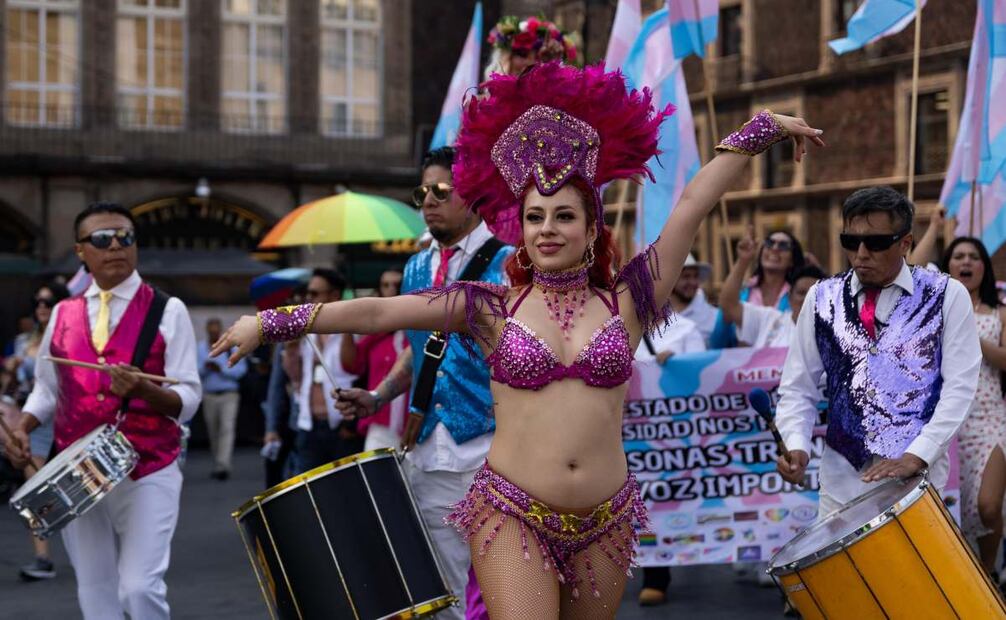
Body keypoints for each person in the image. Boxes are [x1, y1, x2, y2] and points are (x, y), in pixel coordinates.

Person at [213, 63, 822, 619]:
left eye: (563, 215)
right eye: (535, 217)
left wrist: (758, 129)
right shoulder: (485, 308)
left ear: (591, 229)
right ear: (520, 229)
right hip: (511, 512)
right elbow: (378, 311)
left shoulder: (629, 301)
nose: (548, 229)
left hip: (607, 519)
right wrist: (270, 323)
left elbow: (692, 204)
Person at [2, 201, 201, 619]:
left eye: (125, 237)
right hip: (78, 471)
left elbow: (188, 400)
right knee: (96, 593)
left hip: (149, 466)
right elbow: (47, 389)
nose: (116, 246)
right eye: (101, 239)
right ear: (80, 251)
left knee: (139, 589)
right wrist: (25, 424)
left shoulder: (169, 310)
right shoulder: (63, 313)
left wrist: (145, 389)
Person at [338, 146, 511, 620]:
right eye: (422, 192)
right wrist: (378, 396)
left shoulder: (512, 264)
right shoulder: (415, 267)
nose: (428, 202)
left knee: (506, 586)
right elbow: (421, 349)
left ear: (473, 195)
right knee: (444, 591)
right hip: (430, 449)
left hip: (497, 447)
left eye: (441, 191)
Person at [774, 187, 980, 523]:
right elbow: (798, 386)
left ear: (905, 243)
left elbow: (960, 387)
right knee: (841, 577)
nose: (861, 253)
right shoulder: (820, 297)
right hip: (841, 483)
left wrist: (919, 453)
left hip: (917, 483)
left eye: (876, 243)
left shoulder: (947, 295)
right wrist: (795, 442)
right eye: (850, 241)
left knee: (914, 576)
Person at [942, 237, 1006, 577]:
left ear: (984, 266)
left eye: (973, 257)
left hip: (990, 421)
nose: (965, 262)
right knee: (959, 512)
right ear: (948, 266)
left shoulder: (1000, 314)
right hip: (950, 426)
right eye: (958, 256)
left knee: (988, 505)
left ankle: (988, 570)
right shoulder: (935, 314)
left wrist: (971, 332)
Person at [9, 281, 69, 581]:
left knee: (80, 485)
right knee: (35, 488)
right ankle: (42, 557)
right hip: (36, 419)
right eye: (38, 302)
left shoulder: (70, 336)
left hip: (70, 416)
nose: (42, 307)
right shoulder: (24, 341)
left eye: (48, 301)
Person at [295, 268, 359, 471]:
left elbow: (352, 368)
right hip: (309, 423)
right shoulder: (307, 333)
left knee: (344, 491)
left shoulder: (352, 330)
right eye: (307, 293)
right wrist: (289, 350)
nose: (308, 298)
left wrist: (347, 324)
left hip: (341, 424)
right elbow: (295, 376)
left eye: (315, 294)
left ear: (334, 295)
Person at [720, 226, 827, 349]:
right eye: (769, 243)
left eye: (783, 246)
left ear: (793, 259)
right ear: (791, 296)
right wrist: (743, 260)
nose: (775, 249)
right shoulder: (769, 318)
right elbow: (728, 307)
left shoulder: (802, 286)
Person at [340, 267, 411, 451]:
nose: (392, 290)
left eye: (397, 284)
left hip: (415, 422)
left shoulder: (420, 331)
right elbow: (351, 365)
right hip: (381, 422)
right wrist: (346, 325)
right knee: (378, 478)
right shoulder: (376, 333)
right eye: (385, 285)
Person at [197, 317, 247, 480]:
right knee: (213, 430)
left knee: (227, 428)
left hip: (229, 394)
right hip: (209, 394)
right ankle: (218, 460)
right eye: (211, 331)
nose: (213, 334)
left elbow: (241, 371)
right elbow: (194, 371)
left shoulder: (231, 347)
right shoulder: (201, 348)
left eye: (216, 331)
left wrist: (221, 370)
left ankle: (223, 464)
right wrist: (206, 368)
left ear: (220, 331)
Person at [486, 15, 578, 77]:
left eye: (539, 57)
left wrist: (552, 67)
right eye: (522, 54)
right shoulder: (483, 103)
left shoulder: (553, 104)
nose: (530, 63)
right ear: (506, 57)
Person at [667, 254, 717, 347]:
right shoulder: (656, 316)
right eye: (686, 276)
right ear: (671, 280)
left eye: (695, 276)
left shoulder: (715, 316)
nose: (693, 282)